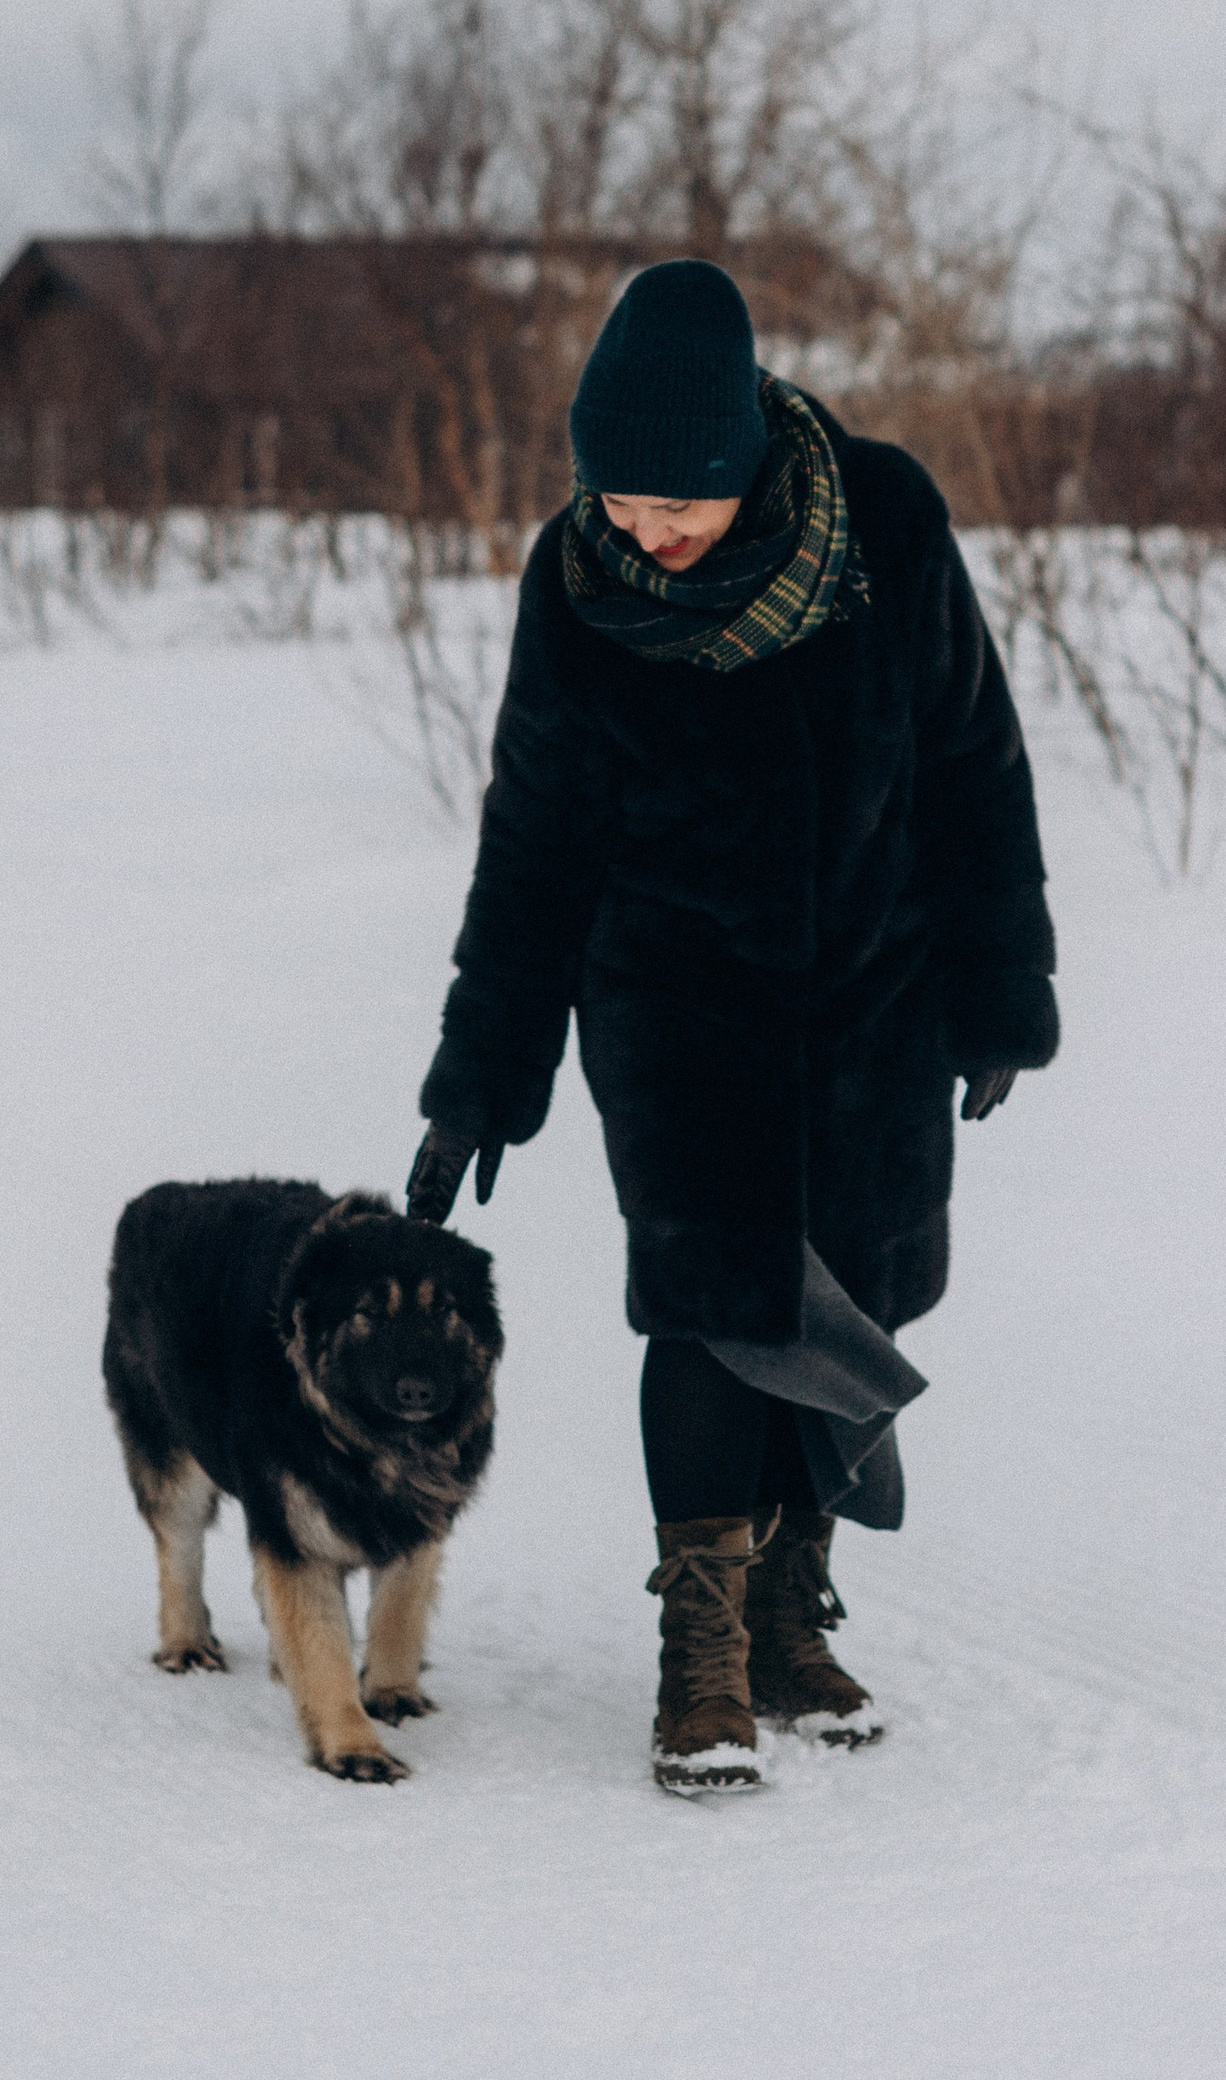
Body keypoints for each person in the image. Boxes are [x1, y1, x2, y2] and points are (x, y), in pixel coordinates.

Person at [404, 258, 1057, 1793]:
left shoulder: (885, 523)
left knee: (853, 1296)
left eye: (676, 501)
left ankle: (784, 1605)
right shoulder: (577, 589)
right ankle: (698, 1648)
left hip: (878, 999)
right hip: (675, 1008)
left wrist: (999, 986)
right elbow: (536, 841)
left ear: (744, 454)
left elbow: (977, 761)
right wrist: (482, 1079)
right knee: (713, 1305)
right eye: (620, 502)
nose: (647, 531)